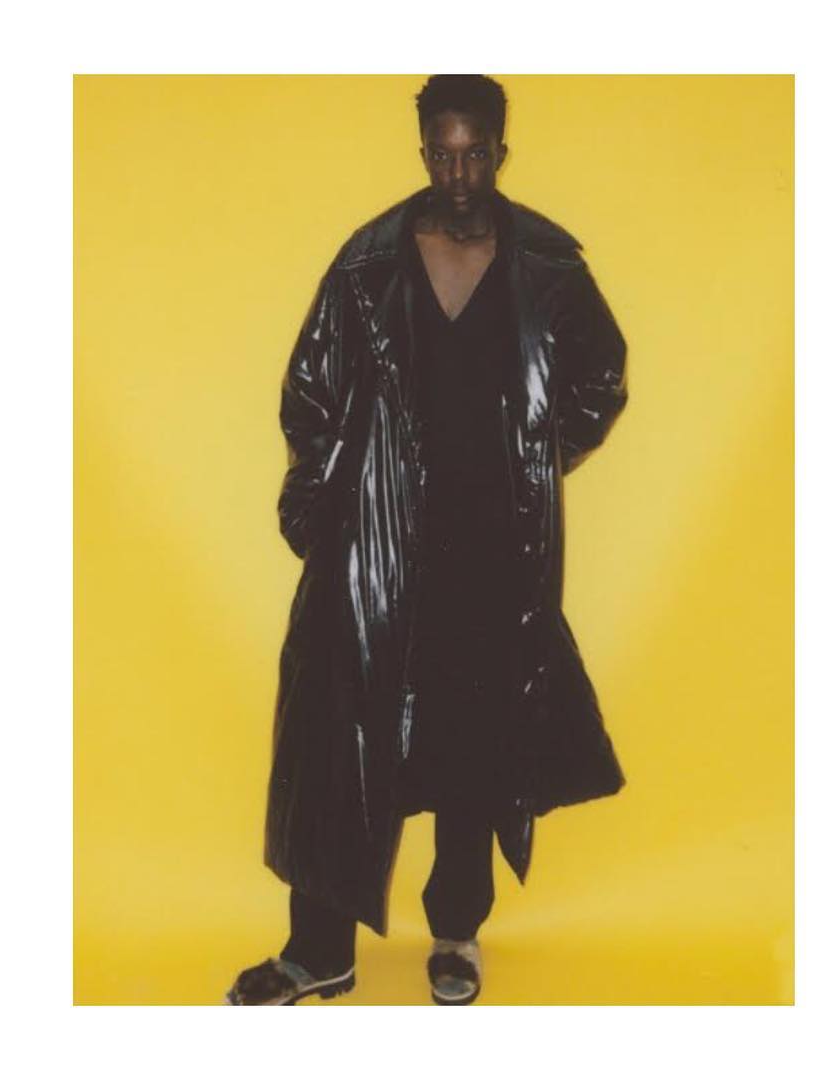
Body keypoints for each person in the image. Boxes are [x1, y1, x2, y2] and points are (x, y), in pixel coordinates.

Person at [227, 74, 630, 1006]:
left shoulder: (548, 267)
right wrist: (316, 511)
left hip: (492, 549)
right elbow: (309, 392)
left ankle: (456, 932)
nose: (458, 174)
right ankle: (316, 950)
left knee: (473, 746)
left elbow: (600, 376)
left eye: (474, 153)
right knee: (341, 743)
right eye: (442, 155)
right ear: (423, 154)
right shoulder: (367, 265)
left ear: (499, 152)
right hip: (375, 548)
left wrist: (536, 460)